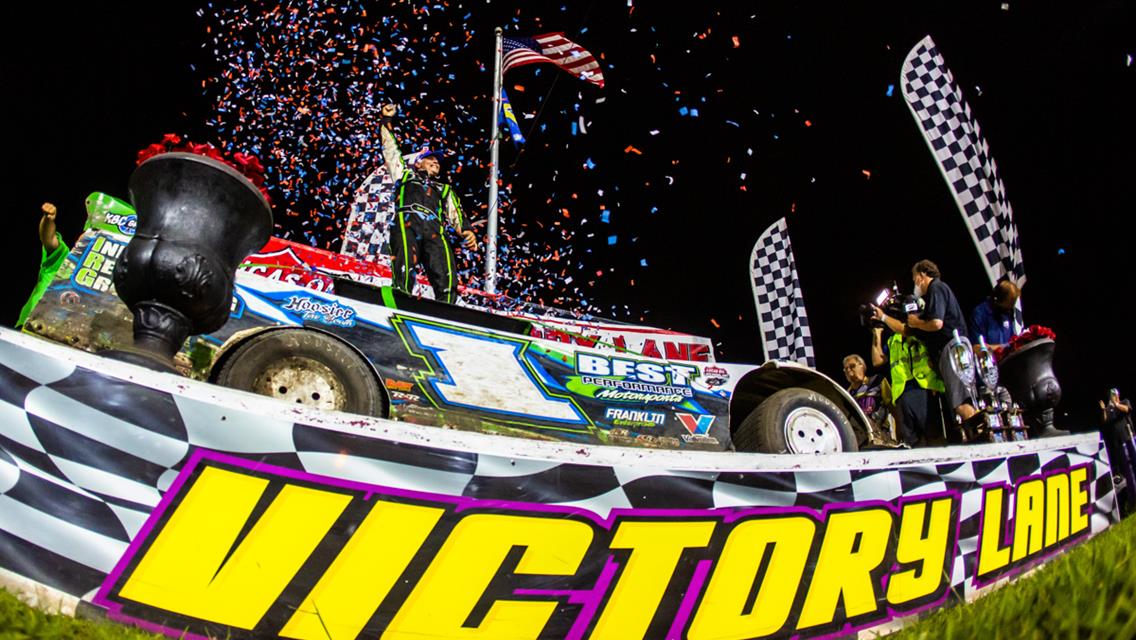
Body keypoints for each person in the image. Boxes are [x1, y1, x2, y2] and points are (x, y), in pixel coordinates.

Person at [379, 103, 478, 303]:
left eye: (438, 161)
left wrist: (466, 231)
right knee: (405, 263)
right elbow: (390, 150)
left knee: (445, 270)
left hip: (435, 228)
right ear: (418, 162)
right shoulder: (404, 174)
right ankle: (401, 296)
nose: (435, 162)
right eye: (430, 159)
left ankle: (448, 307)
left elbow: (455, 212)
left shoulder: (444, 189)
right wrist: (386, 120)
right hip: (408, 222)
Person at [905, 260, 976, 422]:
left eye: (915, 278)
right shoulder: (937, 291)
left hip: (952, 348)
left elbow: (937, 323)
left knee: (961, 402)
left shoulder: (936, 288)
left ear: (922, 275)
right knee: (964, 398)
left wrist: (916, 322)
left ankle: (981, 441)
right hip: (954, 348)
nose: (915, 284)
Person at [869, 308, 946, 446]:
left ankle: (945, 465)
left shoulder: (917, 330)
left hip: (923, 387)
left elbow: (905, 330)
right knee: (913, 442)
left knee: (933, 436)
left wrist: (883, 317)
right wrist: (877, 334)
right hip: (902, 394)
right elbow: (877, 360)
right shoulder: (893, 340)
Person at [17, 202, 69, 329]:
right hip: (28, 326)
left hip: (59, 336)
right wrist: (48, 219)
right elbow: (49, 238)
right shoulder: (64, 259)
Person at [842, 353, 895, 445]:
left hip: (881, 434)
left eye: (852, 366)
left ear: (862, 366)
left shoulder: (878, 381)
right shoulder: (846, 394)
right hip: (860, 438)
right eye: (846, 369)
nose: (849, 370)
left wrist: (899, 431)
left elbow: (893, 406)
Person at [1100, 388, 1136, 514]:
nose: (1113, 397)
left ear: (1118, 395)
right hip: (1119, 444)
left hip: (1129, 438)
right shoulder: (1110, 409)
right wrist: (1104, 409)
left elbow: (1127, 410)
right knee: (1128, 472)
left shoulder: (1124, 402)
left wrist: (1116, 404)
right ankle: (1133, 500)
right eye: (1111, 395)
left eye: (1114, 395)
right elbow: (1105, 422)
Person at [969, 279, 1021, 350]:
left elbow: (1012, 341)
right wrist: (1005, 348)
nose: (1009, 310)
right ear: (996, 300)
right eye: (1006, 308)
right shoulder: (980, 314)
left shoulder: (1007, 312)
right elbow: (977, 348)